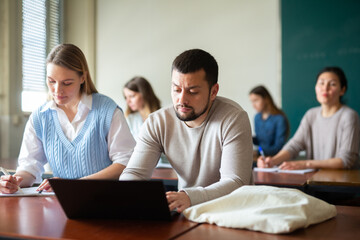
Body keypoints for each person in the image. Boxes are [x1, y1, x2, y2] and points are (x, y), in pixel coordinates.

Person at [120, 49, 253, 213]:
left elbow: (235, 182)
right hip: (185, 212)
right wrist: (124, 194)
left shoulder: (233, 118)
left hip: (230, 212)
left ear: (213, 92)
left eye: (193, 91)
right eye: (176, 89)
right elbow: (135, 173)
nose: (181, 100)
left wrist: (190, 197)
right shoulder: (157, 122)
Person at [0, 43, 136, 194]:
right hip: (63, 203)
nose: (57, 90)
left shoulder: (107, 111)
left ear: (83, 77)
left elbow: (126, 162)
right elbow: (29, 168)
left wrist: (74, 185)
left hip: (105, 198)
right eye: (51, 81)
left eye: (67, 83)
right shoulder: (40, 117)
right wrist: (14, 181)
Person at [257, 66, 360, 170]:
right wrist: (272, 161)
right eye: (321, 83)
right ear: (315, 87)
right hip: (314, 179)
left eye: (332, 84)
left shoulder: (349, 116)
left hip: (342, 182)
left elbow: (346, 160)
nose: (325, 88)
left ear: (342, 90)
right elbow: (295, 145)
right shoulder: (311, 115)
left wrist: (306, 164)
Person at [249, 85, 289, 157]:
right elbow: (260, 141)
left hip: (275, 158)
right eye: (252, 102)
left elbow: (278, 147)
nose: (253, 105)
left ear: (266, 99)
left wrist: (257, 152)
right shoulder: (257, 117)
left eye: (256, 100)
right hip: (260, 157)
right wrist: (247, 137)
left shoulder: (279, 119)